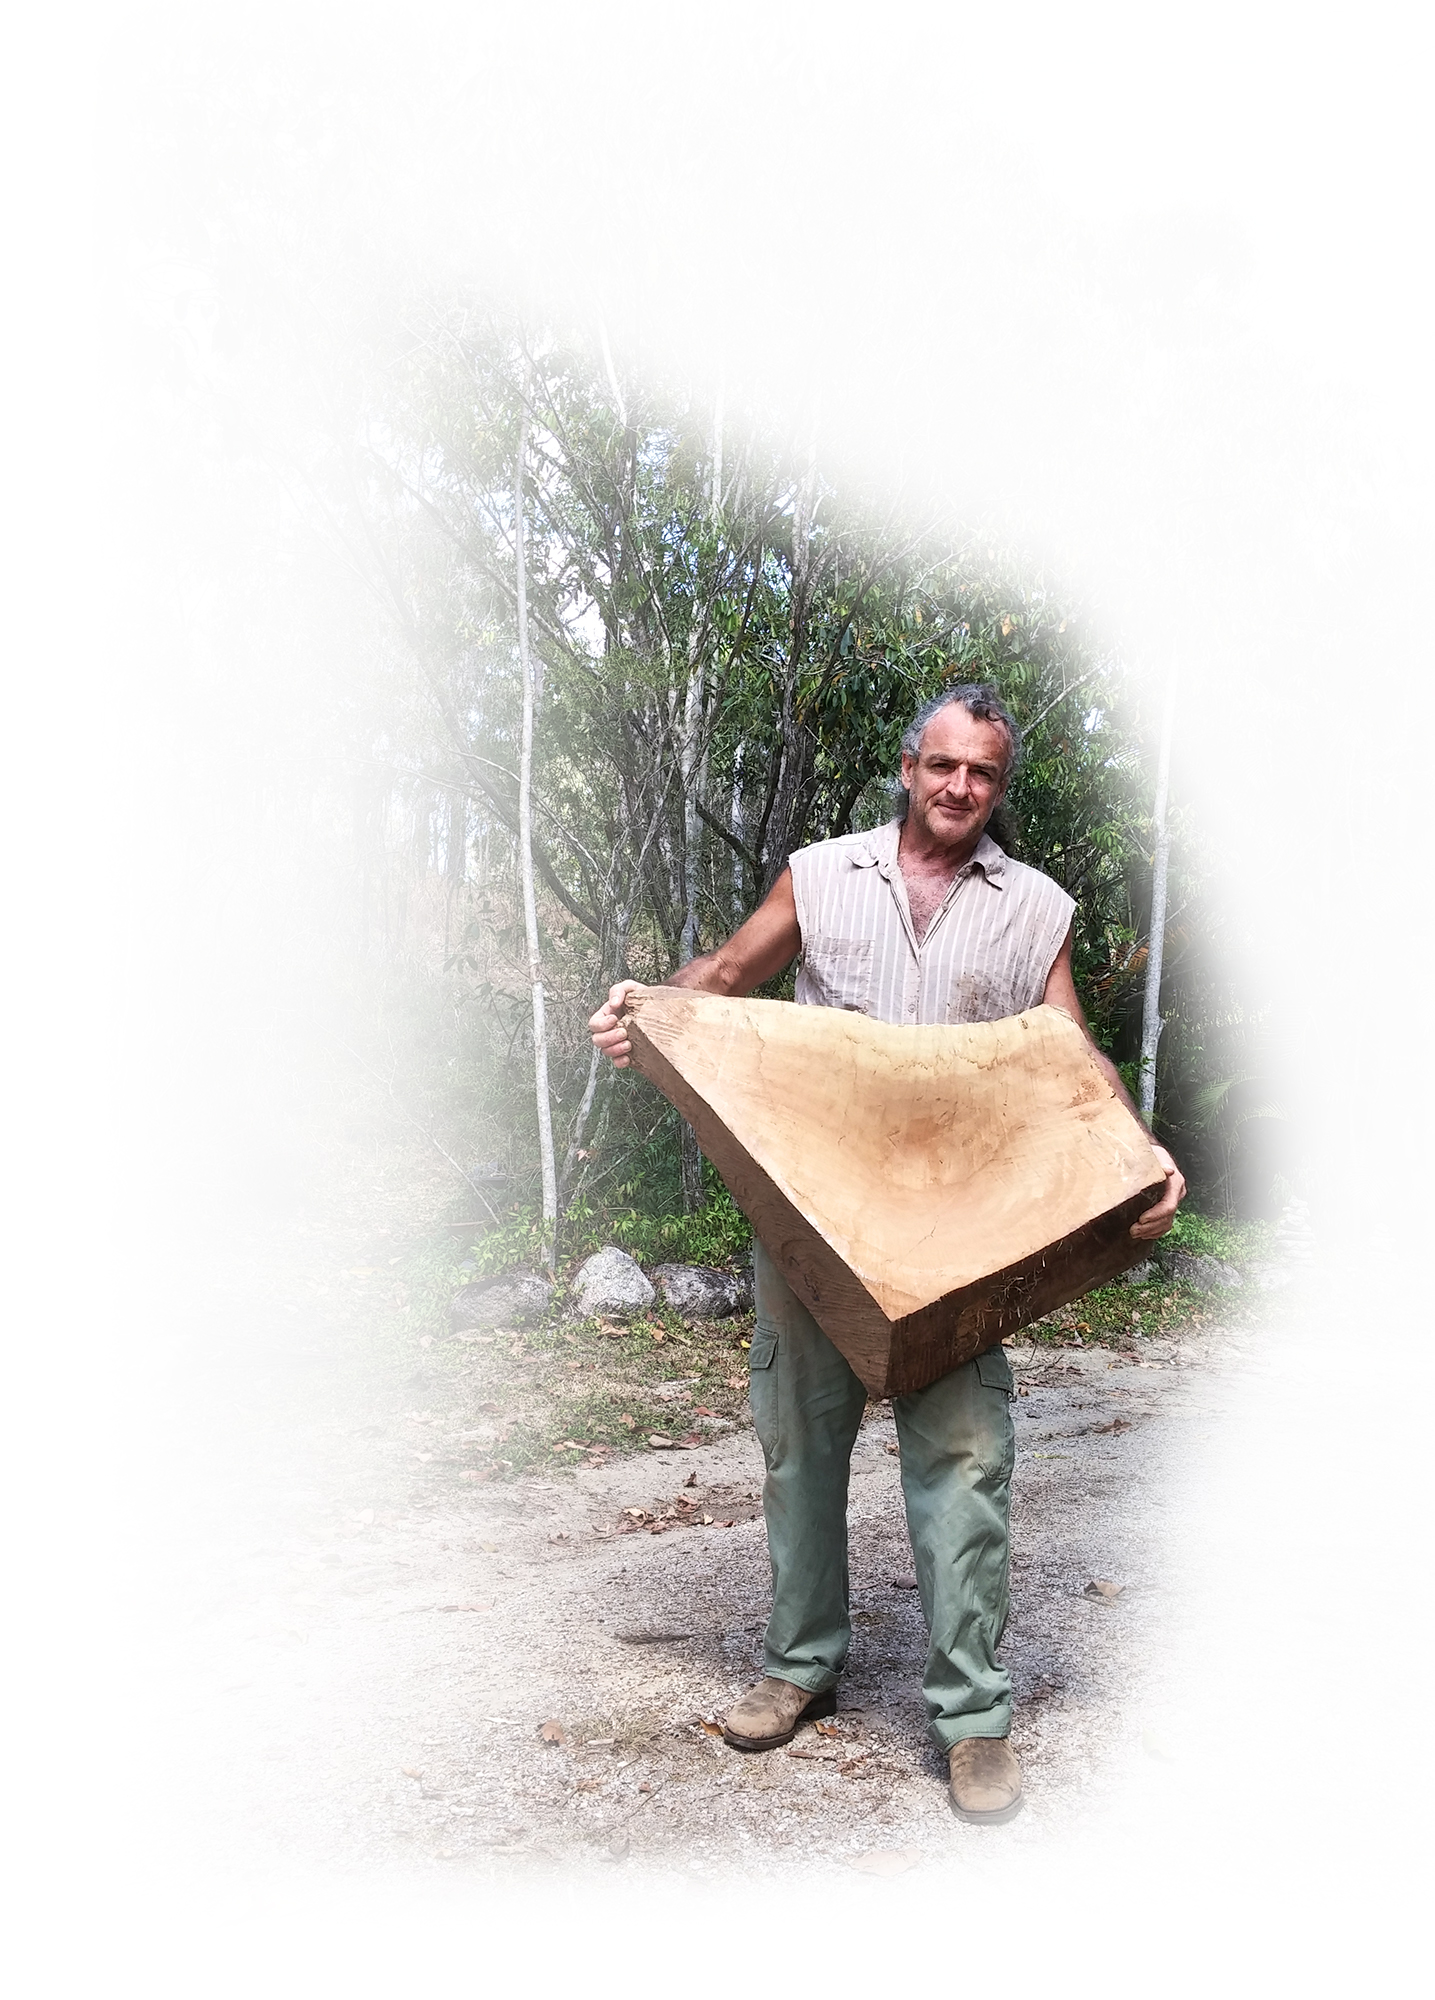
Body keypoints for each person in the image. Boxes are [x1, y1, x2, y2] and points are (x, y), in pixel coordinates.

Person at [588, 684, 1185, 1824]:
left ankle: (972, 1719)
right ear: (908, 765)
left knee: (965, 1461)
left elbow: (1071, 1055)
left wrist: (1141, 1152)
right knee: (796, 1447)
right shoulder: (821, 874)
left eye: (985, 775)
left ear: (999, 786)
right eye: (945, 765)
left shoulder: (1035, 907)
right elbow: (722, 977)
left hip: (962, 1237)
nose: (962, 788)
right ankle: (797, 1665)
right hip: (812, 1218)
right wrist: (646, 1015)